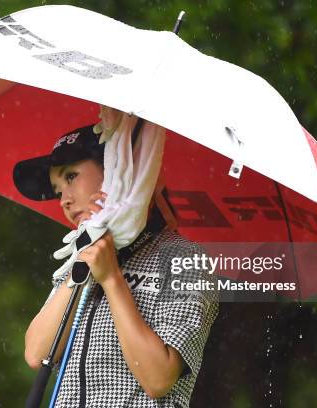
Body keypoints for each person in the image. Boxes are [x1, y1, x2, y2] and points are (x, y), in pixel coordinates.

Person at [14, 122, 218, 407]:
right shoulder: (79, 256)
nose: (64, 201)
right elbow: (37, 353)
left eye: (71, 177)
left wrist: (111, 279)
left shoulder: (184, 260)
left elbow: (158, 379)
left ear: (118, 172)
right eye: (58, 191)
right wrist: (83, 268)